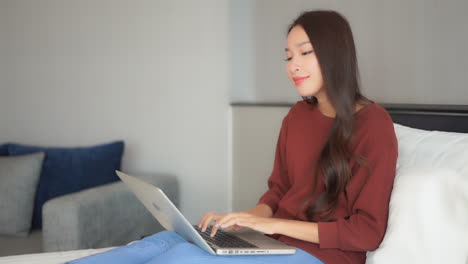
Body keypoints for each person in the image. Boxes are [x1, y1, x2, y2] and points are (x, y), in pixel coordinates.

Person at [68, 9, 397, 264]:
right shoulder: (297, 117)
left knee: (180, 258)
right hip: (274, 245)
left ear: (334, 53)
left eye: (304, 52)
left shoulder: (372, 123)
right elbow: (278, 194)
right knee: (160, 242)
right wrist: (241, 219)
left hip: (324, 258)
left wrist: (271, 227)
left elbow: (367, 232)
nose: (292, 66)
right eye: (288, 56)